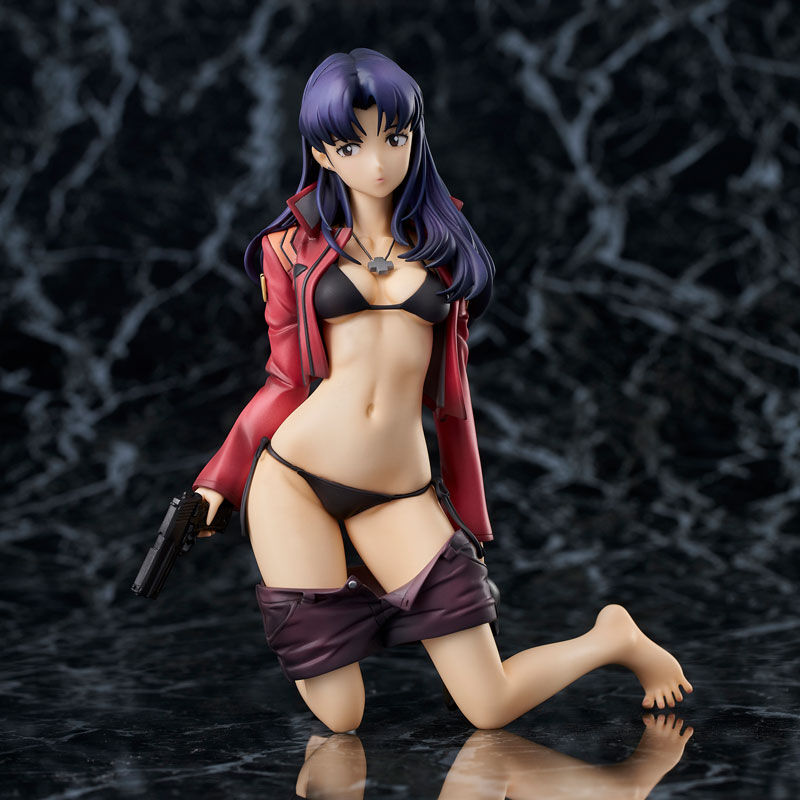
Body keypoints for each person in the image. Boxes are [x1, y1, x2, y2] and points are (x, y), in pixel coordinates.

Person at [190, 48, 693, 733]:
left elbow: (454, 401)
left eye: (394, 137)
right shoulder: (288, 251)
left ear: (414, 136)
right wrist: (219, 481)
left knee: (489, 706)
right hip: (295, 480)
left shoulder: (445, 249)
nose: (377, 162)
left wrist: (469, 510)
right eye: (351, 145)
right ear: (322, 153)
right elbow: (283, 382)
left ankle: (614, 639)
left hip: (400, 490)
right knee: (340, 716)